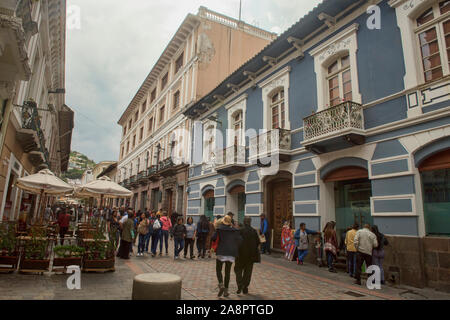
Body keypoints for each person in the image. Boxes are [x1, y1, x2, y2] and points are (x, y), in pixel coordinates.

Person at [211, 215, 242, 298]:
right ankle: (226, 291)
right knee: (227, 272)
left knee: (218, 269)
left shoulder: (219, 229)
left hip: (221, 251)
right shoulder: (235, 230)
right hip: (231, 253)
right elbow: (240, 240)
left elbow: (213, 238)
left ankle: (221, 285)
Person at [235, 217, 260, 295]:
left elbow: (236, 242)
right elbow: (258, 242)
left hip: (240, 255)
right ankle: (245, 287)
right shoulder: (253, 231)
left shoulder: (239, 231)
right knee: (248, 272)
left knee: (238, 270)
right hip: (251, 255)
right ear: (250, 222)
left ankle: (239, 285)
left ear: (244, 222)